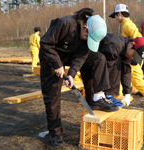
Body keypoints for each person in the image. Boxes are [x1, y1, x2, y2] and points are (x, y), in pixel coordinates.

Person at [39, 8, 118, 147]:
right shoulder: (65, 23)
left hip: (70, 54)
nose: (88, 41)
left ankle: (97, 97)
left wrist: (71, 75)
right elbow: (45, 43)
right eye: (88, 37)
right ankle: (55, 133)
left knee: (98, 58)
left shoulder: (87, 35)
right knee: (52, 96)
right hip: (50, 56)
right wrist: (57, 64)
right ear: (85, 27)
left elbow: (81, 55)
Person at [108, 4, 144, 108]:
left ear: (119, 14)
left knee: (129, 78)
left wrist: (135, 58)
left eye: (115, 16)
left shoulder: (127, 25)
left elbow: (139, 40)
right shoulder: (126, 24)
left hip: (133, 57)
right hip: (133, 56)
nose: (115, 19)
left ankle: (117, 98)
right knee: (133, 79)